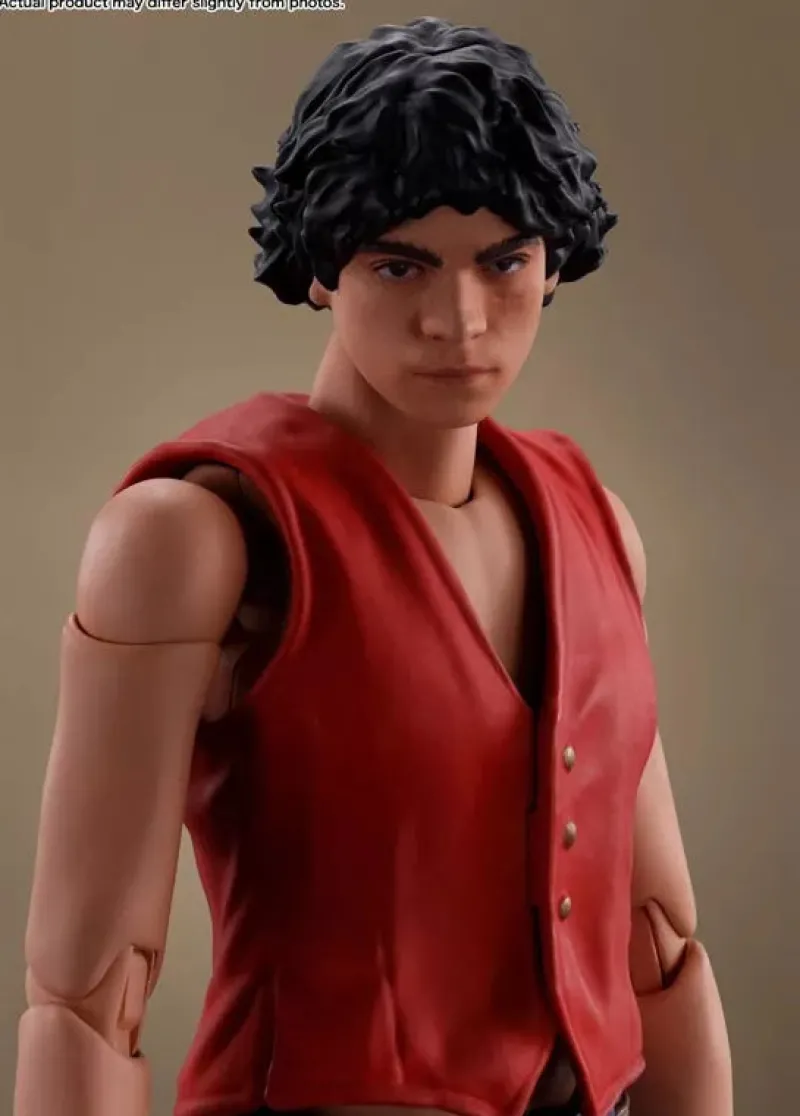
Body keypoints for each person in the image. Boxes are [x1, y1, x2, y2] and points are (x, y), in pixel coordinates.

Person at [13, 17, 733, 1116]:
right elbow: (88, 991)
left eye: (504, 261)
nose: (458, 320)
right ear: (320, 267)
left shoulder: (596, 526)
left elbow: (655, 938)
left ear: (554, 261)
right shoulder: (198, 539)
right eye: (399, 265)